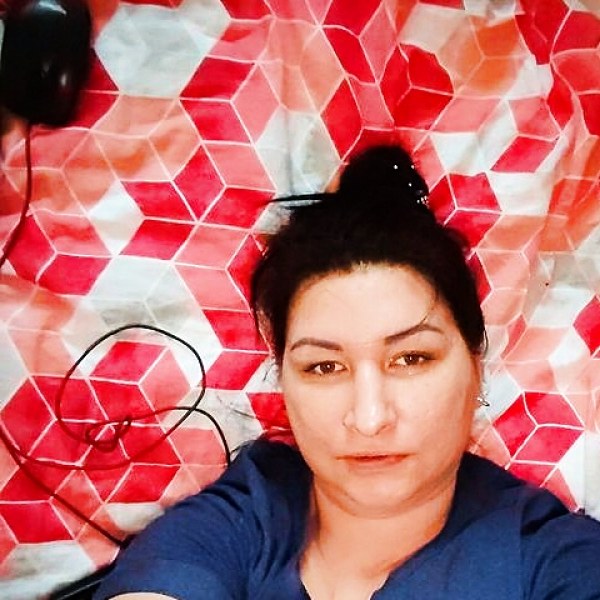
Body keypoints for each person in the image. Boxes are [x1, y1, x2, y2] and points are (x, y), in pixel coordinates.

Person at [94, 144, 600, 600]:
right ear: (284, 381)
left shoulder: (549, 558)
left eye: (411, 359)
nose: (369, 418)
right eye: (324, 366)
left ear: (475, 367)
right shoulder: (246, 513)